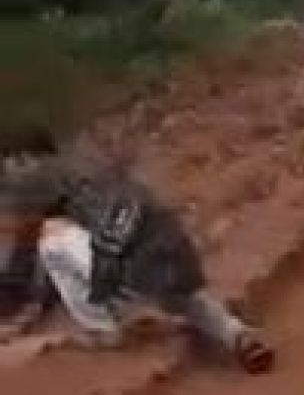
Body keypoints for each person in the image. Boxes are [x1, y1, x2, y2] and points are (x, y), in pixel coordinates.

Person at [0, 125, 273, 371]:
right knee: (181, 295)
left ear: (25, 159)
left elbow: (25, 250)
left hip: (128, 268)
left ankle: (105, 331)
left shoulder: (37, 179)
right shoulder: (90, 166)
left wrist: (14, 304)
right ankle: (236, 335)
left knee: (52, 238)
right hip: (175, 254)